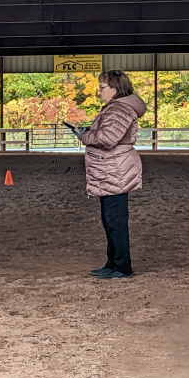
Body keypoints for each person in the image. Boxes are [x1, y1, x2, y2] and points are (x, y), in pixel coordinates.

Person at [79, 70, 147, 280]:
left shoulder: (119, 110)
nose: (99, 91)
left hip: (114, 170)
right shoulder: (115, 108)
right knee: (111, 220)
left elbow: (107, 138)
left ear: (115, 89)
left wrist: (85, 136)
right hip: (110, 169)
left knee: (115, 221)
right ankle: (113, 263)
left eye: (102, 87)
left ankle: (122, 267)